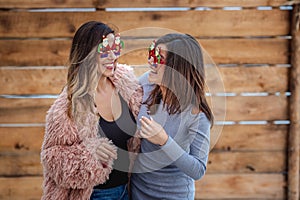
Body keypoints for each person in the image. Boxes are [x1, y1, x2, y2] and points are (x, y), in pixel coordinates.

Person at [40, 21, 142, 200]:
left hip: (129, 191)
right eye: (105, 50)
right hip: (94, 194)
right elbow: (51, 157)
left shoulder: (128, 85)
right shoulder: (68, 105)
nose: (113, 56)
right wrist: (89, 153)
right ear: (88, 53)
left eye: (116, 47)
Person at [131, 33, 214, 199]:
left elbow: (198, 170)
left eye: (159, 58)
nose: (151, 62)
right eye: (152, 54)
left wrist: (164, 140)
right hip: (137, 192)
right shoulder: (145, 85)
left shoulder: (197, 116)